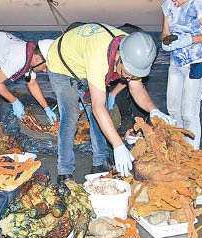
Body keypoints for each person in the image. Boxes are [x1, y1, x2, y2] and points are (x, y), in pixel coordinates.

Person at [45, 23, 174, 182]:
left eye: (134, 75)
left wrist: (154, 110)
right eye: (127, 73)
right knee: (71, 117)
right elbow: (97, 107)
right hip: (62, 64)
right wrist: (118, 145)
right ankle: (64, 170)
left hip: (84, 62)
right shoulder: (99, 56)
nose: (128, 79)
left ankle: (99, 163)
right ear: (119, 56)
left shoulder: (133, 51)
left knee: (99, 114)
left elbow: (137, 88)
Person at [161, 0, 202, 149]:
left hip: (195, 64)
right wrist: (165, 41)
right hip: (175, 64)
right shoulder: (167, 5)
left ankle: (192, 153)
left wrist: (189, 40)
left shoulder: (197, 4)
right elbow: (165, 32)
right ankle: (180, 148)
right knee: (173, 109)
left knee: (188, 113)